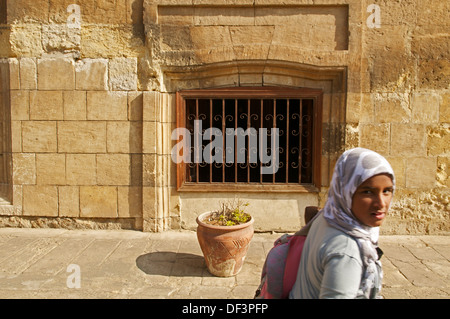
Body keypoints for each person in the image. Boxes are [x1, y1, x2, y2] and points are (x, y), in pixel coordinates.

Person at [289, 147, 395, 299]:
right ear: (347, 191)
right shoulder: (346, 252)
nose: (381, 203)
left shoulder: (329, 216)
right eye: (367, 192)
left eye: (387, 191)